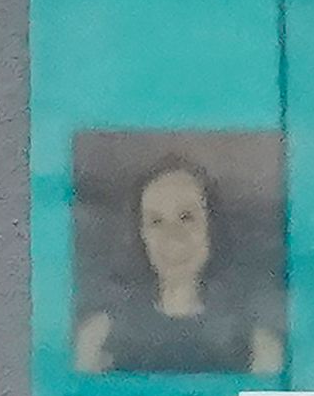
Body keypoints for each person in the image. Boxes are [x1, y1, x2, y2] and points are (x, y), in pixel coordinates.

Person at [75, 153, 283, 375]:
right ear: (139, 235)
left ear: (212, 227)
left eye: (186, 217)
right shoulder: (97, 339)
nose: (172, 237)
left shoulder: (259, 347)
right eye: (156, 222)